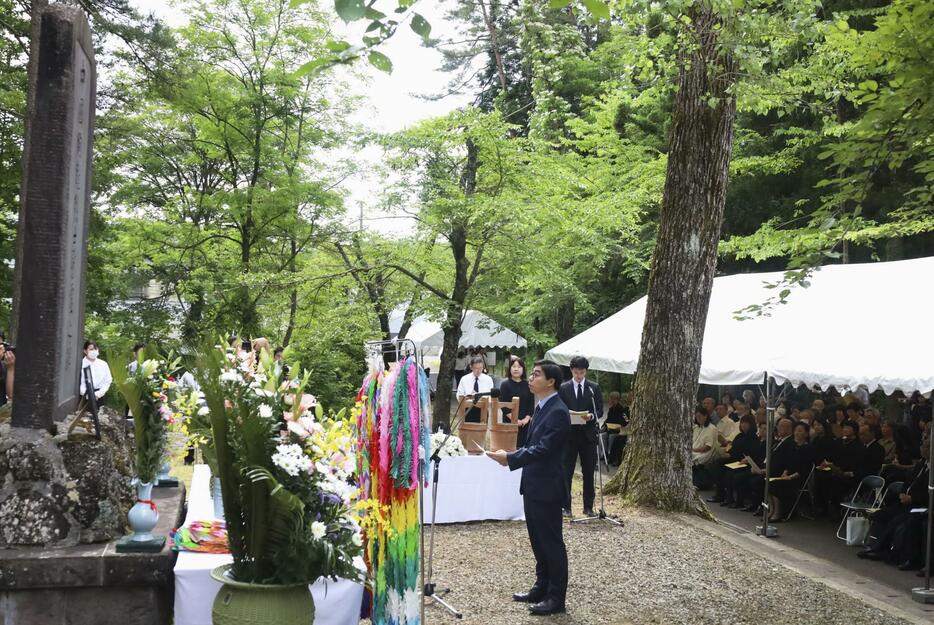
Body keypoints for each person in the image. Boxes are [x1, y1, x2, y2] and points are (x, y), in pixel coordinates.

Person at [487, 360, 570, 616]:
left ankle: (556, 597)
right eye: (531, 374)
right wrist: (512, 455)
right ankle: (541, 586)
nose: (530, 379)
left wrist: (510, 458)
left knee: (551, 542)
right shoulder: (542, 407)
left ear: (551, 381)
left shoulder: (557, 411)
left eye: (536, 375)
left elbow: (544, 449)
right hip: (533, 484)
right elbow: (533, 446)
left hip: (548, 488)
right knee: (537, 540)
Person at [557, 355, 603, 517]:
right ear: (571, 371)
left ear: (586, 372)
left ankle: (588, 507)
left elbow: (599, 410)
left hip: (587, 435)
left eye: (582, 373)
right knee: (566, 471)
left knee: (589, 472)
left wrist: (591, 416)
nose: (579, 376)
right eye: (576, 372)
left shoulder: (593, 388)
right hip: (569, 436)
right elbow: (559, 408)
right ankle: (565, 506)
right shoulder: (563, 388)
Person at [499, 356, 534, 447]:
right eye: (514, 366)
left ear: (523, 369)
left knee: (524, 448)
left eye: (519, 367)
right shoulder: (505, 384)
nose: (516, 369)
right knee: (509, 447)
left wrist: (526, 419)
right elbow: (503, 406)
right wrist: (515, 420)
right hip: (509, 421)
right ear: (510, 368)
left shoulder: (528, 385)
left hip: (525, 424)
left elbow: (531, 404)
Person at [456, 356, 494, 423]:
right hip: (467, 409)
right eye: (476, 368)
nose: (478, 371)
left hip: (483, 409)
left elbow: (491, 396)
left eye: (480, 368)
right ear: (471, 367)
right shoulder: (464, 379)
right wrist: (466, 398)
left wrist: (486, 400)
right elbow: (459, 394)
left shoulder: (488, 379)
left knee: (481, 431)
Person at [693, 406, 720, 489]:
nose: (698, 419)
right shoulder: (696, 427)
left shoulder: (711, 428)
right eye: (696, 417)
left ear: (705, 416)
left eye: (699, 417)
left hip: (705, 453)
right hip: (695, 451)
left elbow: (707, 447)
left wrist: (693, 450)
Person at [603, 392, 629, 466]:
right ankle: (604, 454)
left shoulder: (622, 410)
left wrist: (619, 425)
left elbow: (625, 421)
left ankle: (610, 455)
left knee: (613, 438)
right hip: (611, 429)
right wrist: (604, 426)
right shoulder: (611, 409)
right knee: (602, 435)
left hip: (619, 430)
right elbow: (608, 420)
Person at [0, 342, 15, 406]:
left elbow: (11, 395)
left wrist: (11, 369)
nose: (1, 347)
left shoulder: (4, 366)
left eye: (1, 344)